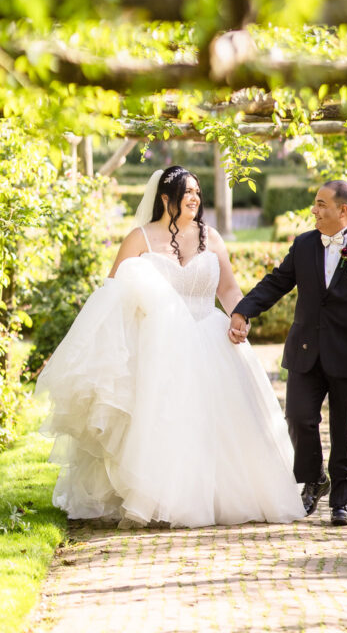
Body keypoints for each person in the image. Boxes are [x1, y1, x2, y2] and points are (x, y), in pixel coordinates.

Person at [36, 166, 305, 528]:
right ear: (165, 198)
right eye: (186, 192)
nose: (195, 198)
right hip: (157, 345)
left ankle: (214, 497)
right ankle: (153, 496)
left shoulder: (212, 237)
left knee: (216, 420)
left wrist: (240, 317)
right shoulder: (139, 239)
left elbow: (227, 289)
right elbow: (113, 295)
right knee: (160, 419)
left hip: (211, 338)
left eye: (197, 192)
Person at [229, 179, 347, 527]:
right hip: (306, 351)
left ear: (343, 210)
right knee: (298, 417)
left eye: (322, 204)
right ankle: (314, 478)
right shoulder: (305, 244)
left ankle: (343, 502)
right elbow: (277, 282)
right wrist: (242, 310)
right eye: (315, 203)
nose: (314, 210)